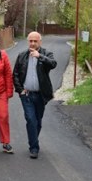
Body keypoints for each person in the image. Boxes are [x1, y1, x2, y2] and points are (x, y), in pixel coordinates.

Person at [12, 31, 57, 159]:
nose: (32, 43)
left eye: (35, 41)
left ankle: (33, 140)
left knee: (38, 121)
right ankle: (34, 148)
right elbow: (15, 74)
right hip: (26, 95)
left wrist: (40, 56)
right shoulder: (22, 56)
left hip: (41, 95)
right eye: (30, 41)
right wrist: (20, 90)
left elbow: (53, 64)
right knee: (30, 119)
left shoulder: (46, 54)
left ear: (40, 42)